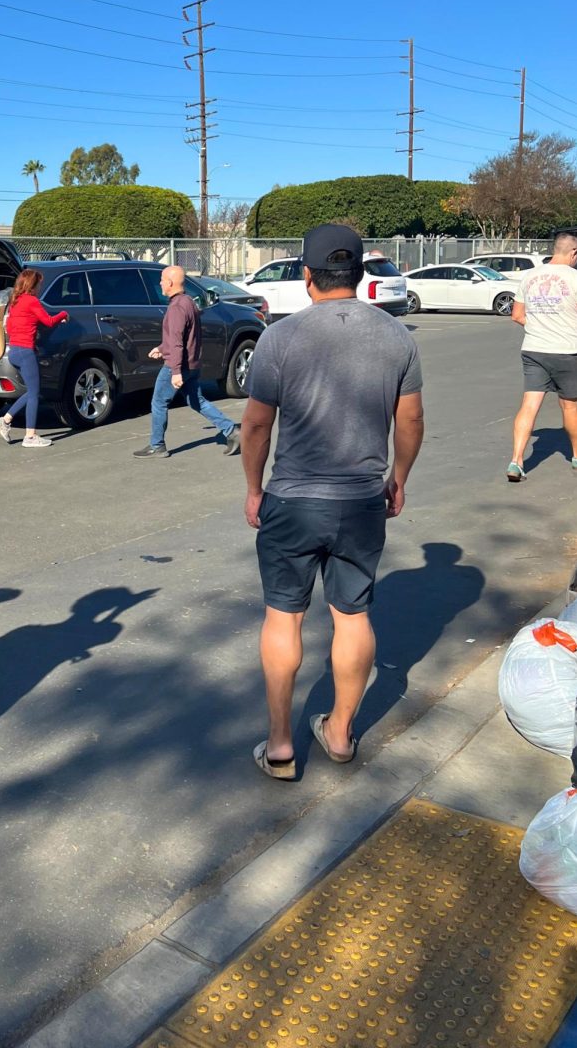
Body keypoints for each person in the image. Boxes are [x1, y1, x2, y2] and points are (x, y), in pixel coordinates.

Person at [240, 224, 424, 780]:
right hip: (361, 498)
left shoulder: (279, 338)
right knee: (352, 616)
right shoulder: (397, 337)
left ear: (307, 275)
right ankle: (340, 732)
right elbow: (410, 418)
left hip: (293, 499)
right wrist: (399, 476)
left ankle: (279, 745)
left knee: (283, 617)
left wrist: (254, 489)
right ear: (362, 274)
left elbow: (255, 426)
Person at [132, 265, 240, 458]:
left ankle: (157, 446)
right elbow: (183, 338)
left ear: (170, 283)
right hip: (192, 364)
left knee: (158, 402)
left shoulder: (176, 308)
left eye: (162, 280)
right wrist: (161, 348)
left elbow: (177, 342)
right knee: (197, 401)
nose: (160, 283)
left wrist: (175, 371)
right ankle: (232, 431)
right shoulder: (188, 302)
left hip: (179, 365)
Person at [507, 227, 577, 481]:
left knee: (529, 405)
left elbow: (516, 315)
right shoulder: (575, 278)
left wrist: (539, 325)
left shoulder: (529, 276)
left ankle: (516, 461)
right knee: (570, 407)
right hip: (567, 350)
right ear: (573, 252)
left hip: (534, 348)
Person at [0, 268, 68, 448]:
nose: (40, 287)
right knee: (34, 393)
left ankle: (6, 419)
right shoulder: (32, 301)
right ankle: (30, 436)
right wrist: (63, 315)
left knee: (31, 391)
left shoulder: (15, 302)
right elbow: (48, 321)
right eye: (39, 284)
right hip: (26, 352)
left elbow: (9, 327)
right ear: (32, 285)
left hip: (14, 352)